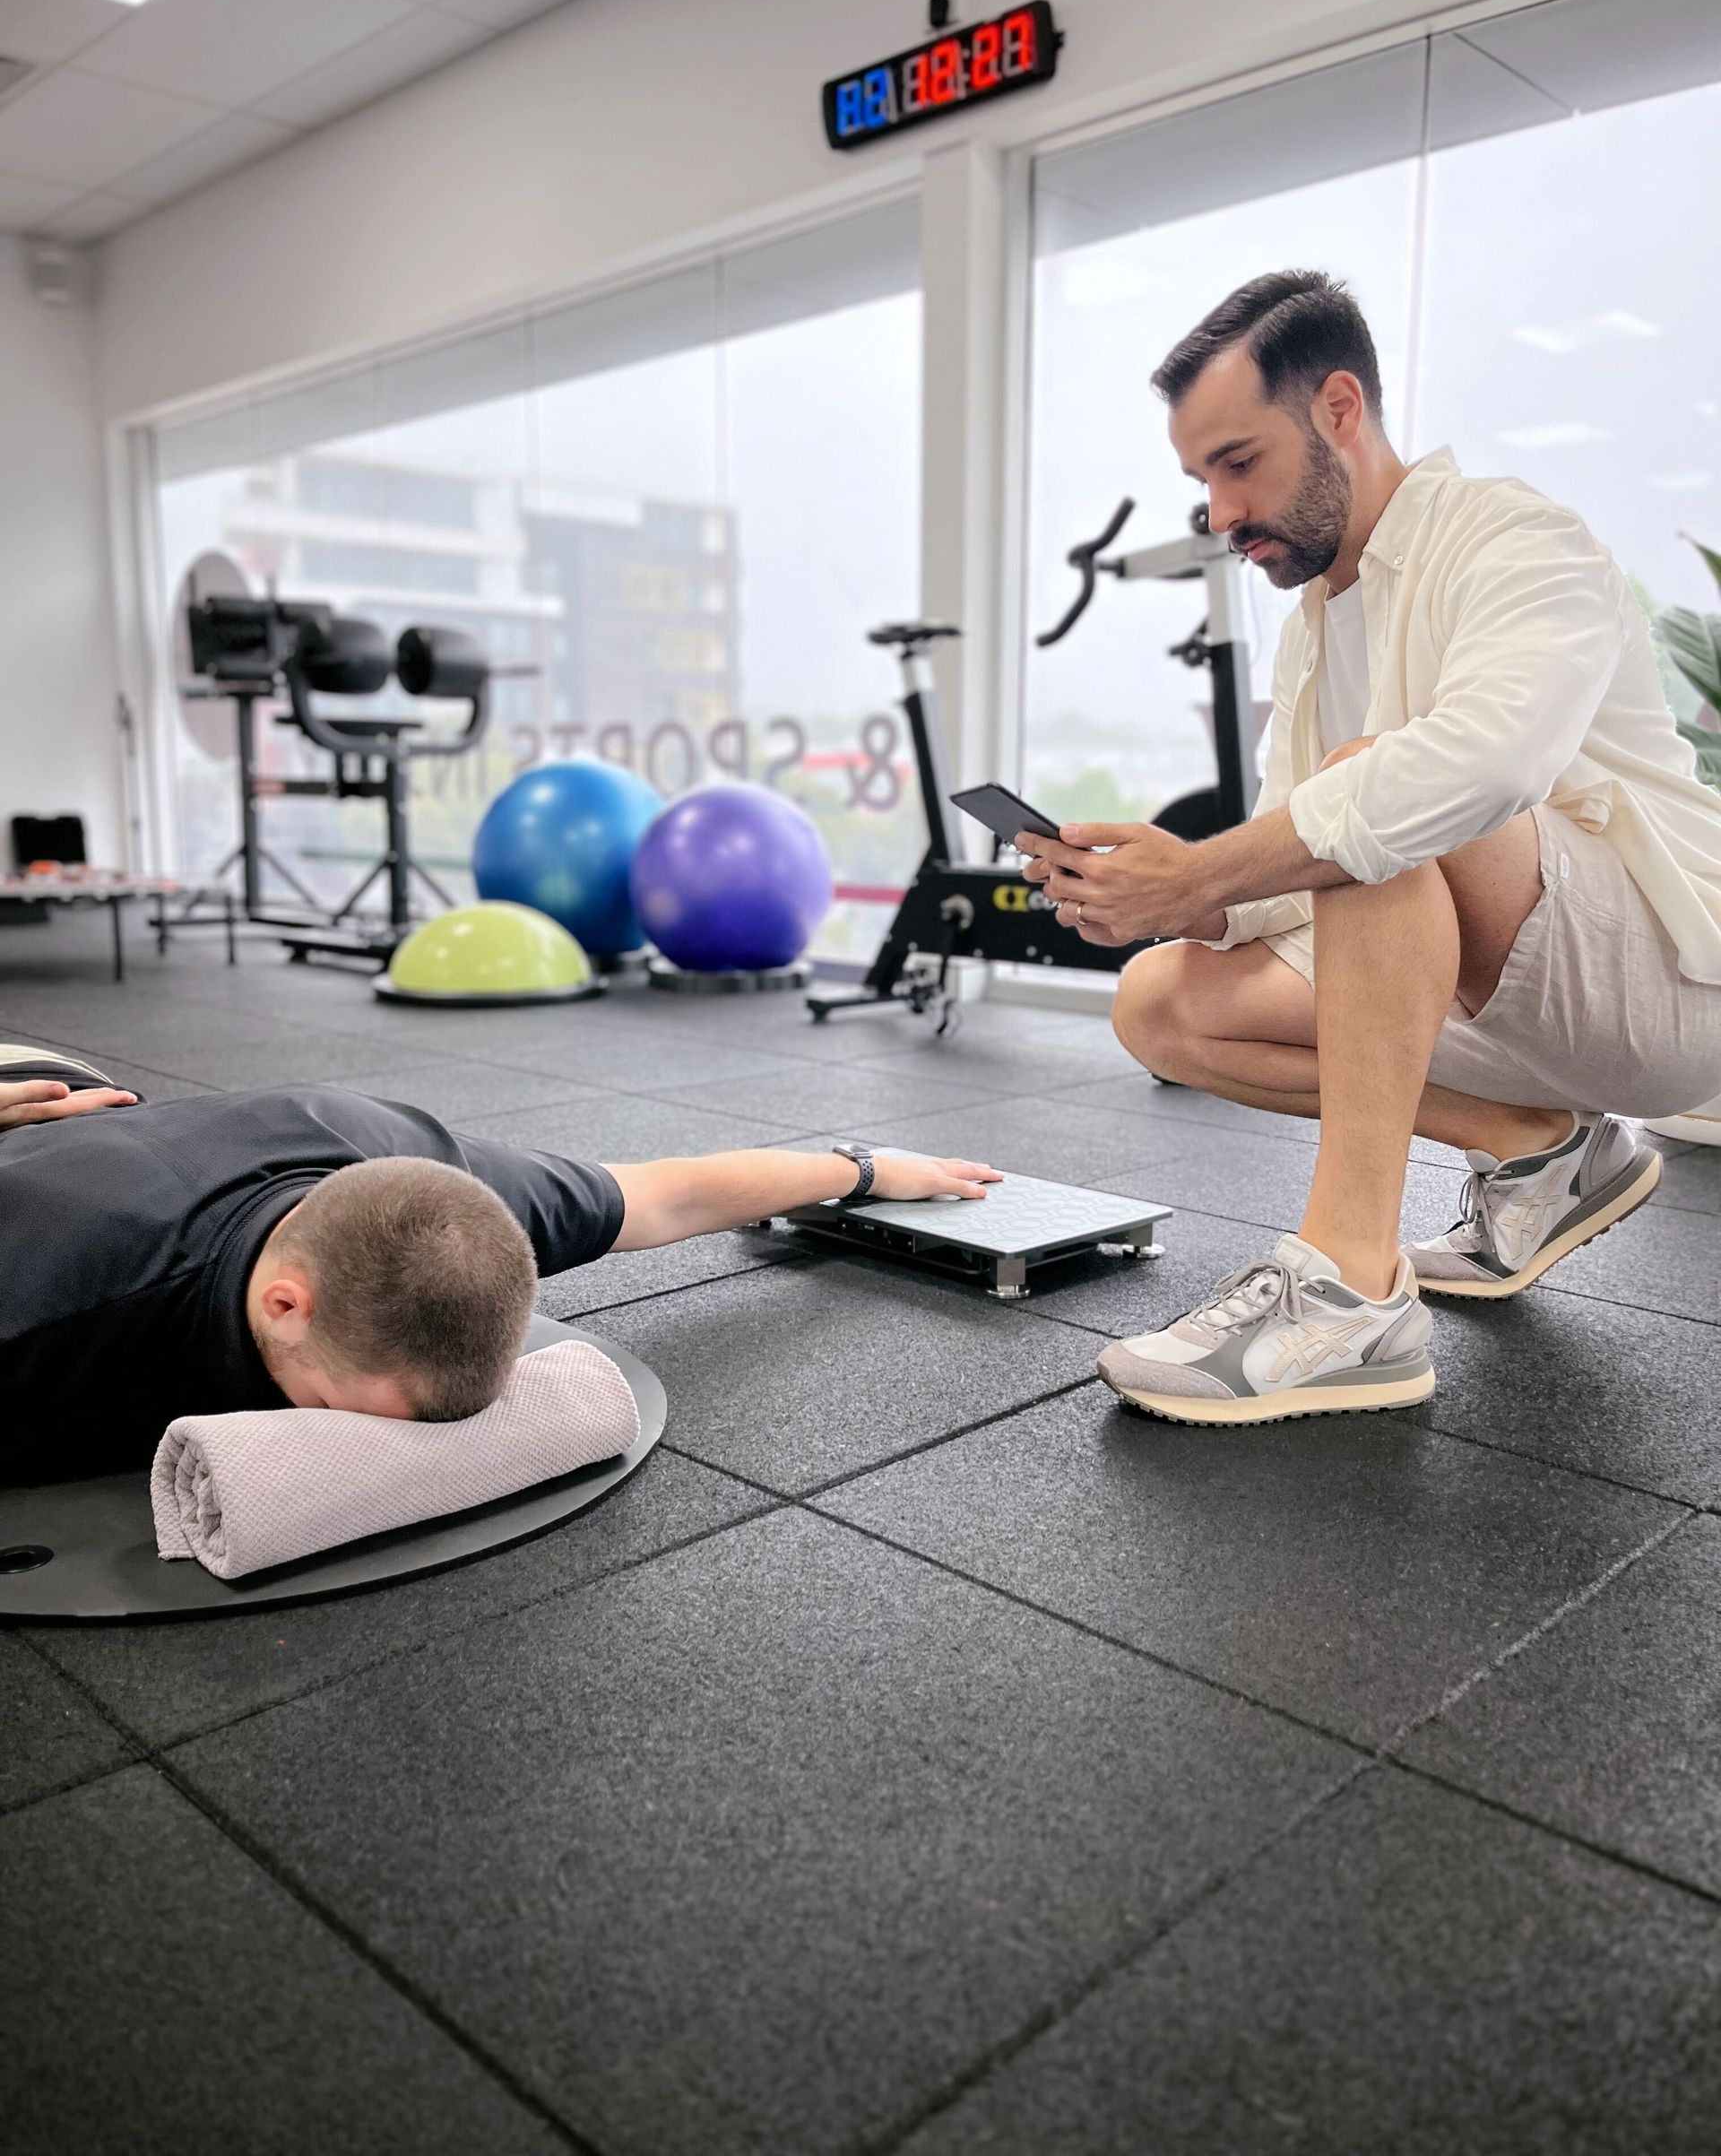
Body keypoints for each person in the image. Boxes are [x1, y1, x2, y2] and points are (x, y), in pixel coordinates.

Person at [1017, 268, 1721, 1427]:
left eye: (1239, 463)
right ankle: (1537, 1152)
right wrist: (1176, 901)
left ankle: (1351, 1291)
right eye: (1202, 480)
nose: (1220, 513)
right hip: (1513, 1007)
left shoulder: (1518, 537)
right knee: (1163, 1005)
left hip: (1669, 990)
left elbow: (1482, 769)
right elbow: (1290, 873)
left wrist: (1208, 869)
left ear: (1340, 409)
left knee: (1372, 802)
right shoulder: (1312, 638)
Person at [0, 1050, 999, 1484]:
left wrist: (867, 1170)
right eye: (333, 1410)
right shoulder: (46, 1317)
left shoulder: (445, 1189)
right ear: (284, 1303)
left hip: (139, 1139)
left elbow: (669, 1194)